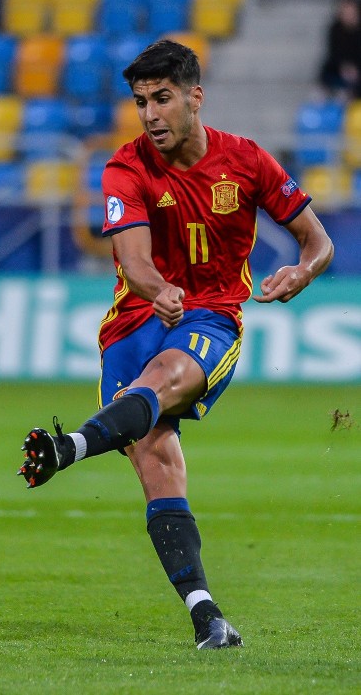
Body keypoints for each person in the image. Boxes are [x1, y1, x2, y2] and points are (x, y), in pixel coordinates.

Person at [18, 40, 334, 649]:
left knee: (164, 376)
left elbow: (317, 240)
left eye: (162, 99)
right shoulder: (124, 167)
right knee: (158, 463)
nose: (151, 115)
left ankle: (72, 446)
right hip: (134, 319)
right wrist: (157, 287)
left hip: (209, 316)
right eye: (141, 102)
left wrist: (303, 271)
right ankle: (205, 614)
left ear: (195, 96)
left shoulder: (247, 161)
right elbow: (133, 261)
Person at [318, 0, 361, 100]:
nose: (348, 14)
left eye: (351, 11)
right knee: (326, 71)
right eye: (345, 10)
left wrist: (355, 69)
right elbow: (333, 53)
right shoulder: (335, 29)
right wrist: (344, 67)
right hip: (341, 69)